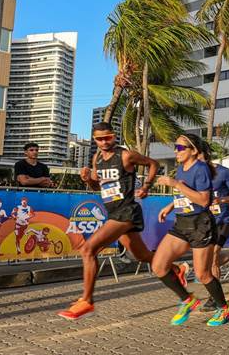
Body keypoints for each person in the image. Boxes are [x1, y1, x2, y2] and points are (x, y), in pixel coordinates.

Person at [58, 122, 158, 320]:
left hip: (127, 211)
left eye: (108, 137)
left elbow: (154, 163)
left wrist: (146, 186)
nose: (104, 142)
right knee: (142, 255)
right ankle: (175, 268)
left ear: (114, 136)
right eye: (99, 139)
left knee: (88, 249)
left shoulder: (126, 155)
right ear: (94, 139)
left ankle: (87, 301)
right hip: (113, 212)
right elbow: (98, 187)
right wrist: (88, 179)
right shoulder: (97, 158)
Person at [153, 134, 229, 327]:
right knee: (158, 266)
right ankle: (187, 299)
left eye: (180, 148)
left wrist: (176, 184)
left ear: (194, 151)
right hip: (182, 223)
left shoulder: (201, 169)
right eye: (176, 147)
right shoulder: (181, 169)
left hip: (200, 225)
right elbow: (186, 193)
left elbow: (204, 200)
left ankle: (224, 308)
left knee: (203, 274)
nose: (176, 151)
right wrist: (170, 206)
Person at [197, 144, 229, 306]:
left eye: (197, 156)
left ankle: (215, 298)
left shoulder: (223, 172)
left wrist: (222, 200)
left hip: (224, 220)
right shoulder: (196, 174)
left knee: (212, 257)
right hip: (207, 221)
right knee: (205, 261)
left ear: (205, 155)